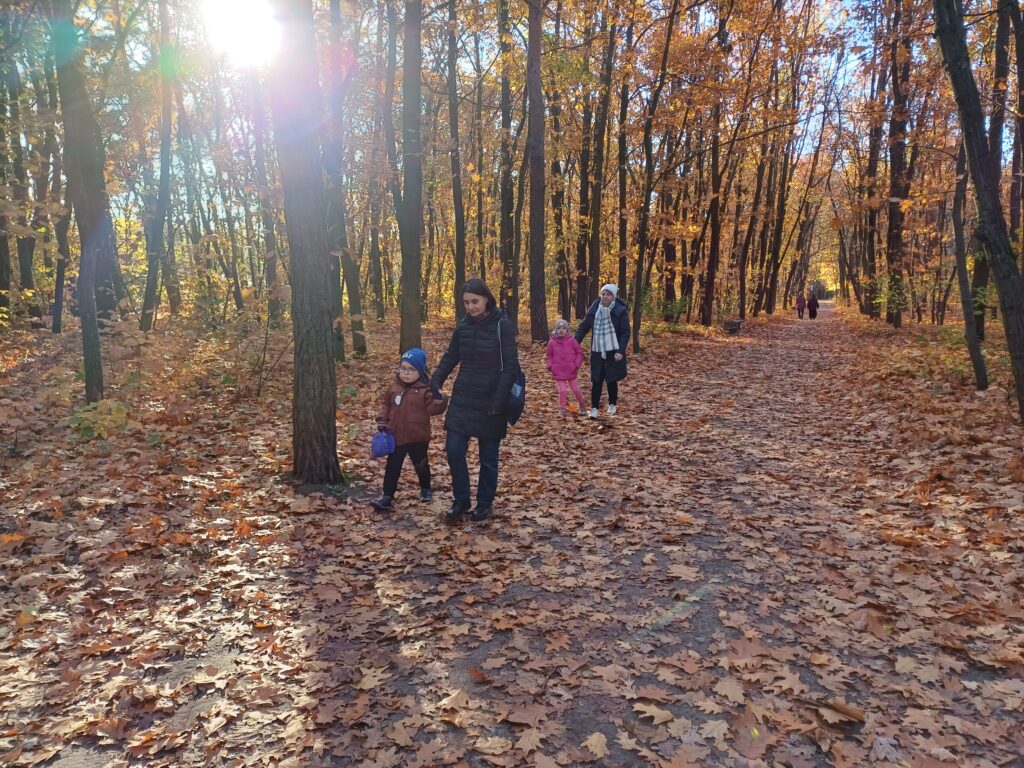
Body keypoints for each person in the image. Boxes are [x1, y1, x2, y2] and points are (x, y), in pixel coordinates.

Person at [431, 279, 520, 524]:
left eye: (475, 301)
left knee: (488, 458)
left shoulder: (503, 326)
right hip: (463, 397)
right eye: (466, 303)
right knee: (454, 450)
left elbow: (510, 367)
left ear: (487, 299)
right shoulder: (463, 327)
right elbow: (452, 356)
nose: (470, 307)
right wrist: (436, 379)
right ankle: (461, 500)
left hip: (492, 399)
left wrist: (499, 401)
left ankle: (484, 504)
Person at [369, 348, 447, 512]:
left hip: (418, 437)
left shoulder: (425, 390)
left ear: (420, 371)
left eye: (411, 370)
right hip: (395, 435)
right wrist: (382, 420)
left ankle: (425, 488)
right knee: (393, 466)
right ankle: (387, 497)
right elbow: (386, 405)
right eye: (403, 368)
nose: (406, 373)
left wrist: (441, 401)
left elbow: (433, 410)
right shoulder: (394, 388)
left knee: (421, 464)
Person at [575, 283, 630, 420]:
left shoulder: (620, 311)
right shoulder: (594, 310)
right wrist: (574, 344)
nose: (605, 296)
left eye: (608, 294)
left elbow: (625, 333)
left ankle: (612, 404)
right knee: (596, 380)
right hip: (598, 350)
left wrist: (620, 351)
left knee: (611, 380)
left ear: (613, 296)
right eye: (603, 294)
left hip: (613, 350)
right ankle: (594, 408)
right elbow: (583, 328)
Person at [546, 319, 587, 416]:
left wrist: (576, 365)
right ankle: (562, 408)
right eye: (559, 328)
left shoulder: (572, 341)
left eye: (564, 328)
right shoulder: (552, 342)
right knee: (562, 390)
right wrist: (550, 366)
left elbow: (579, 353)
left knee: (575, 389)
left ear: (567, 330)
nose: (561, 330)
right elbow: (549, 356)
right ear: (555, 330)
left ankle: (582, 405)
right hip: (558, 371)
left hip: (571, 370)